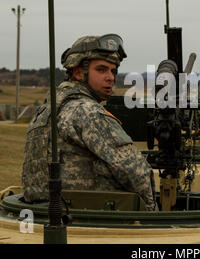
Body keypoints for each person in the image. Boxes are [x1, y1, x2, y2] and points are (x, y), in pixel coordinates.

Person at [21, 34, 157, 211]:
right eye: (101, 70)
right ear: (78, 72)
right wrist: (152, 212)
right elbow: (136, 171)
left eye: (113, 71)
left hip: (49, 216)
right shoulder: (87, 111)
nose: (110, 77)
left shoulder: (47, 110)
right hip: (90, 219)